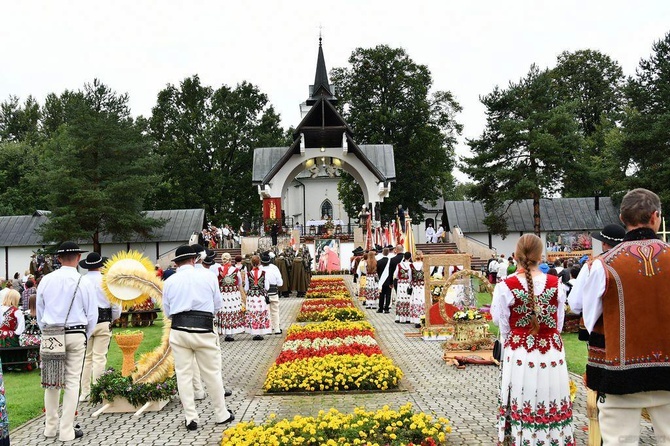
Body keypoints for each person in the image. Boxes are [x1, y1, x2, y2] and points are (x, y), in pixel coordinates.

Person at [570, 189, 670, 444]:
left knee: (619, 442)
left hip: (619, 372)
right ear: (655, 217)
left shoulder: (602, 264)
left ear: (622, 218)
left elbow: (584, 313)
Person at [491, 234, 574, 444]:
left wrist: (517, 337)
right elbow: (559, 324)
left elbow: (501, 324)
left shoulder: (505, 286)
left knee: (522, 396)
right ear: (540, 256)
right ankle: (553, 439)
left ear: (516, 255)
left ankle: (521, 439)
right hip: (550, 351)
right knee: (550, 397)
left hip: (519, 351)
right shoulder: (556, 284)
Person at [162, 245, 234, 431]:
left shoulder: (170, 281)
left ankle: (190, 417)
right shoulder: (208, 276)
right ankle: (221, 413)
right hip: (203, 328)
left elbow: (167, 311)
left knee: (184, 374)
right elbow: (218, 304)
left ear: (177, 263)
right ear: (194, 260)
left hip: (179, 329)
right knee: (212, 373)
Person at [37, 241, 97, 441]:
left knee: (51, 382)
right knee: (72, 382)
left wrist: (47, 331)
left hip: (52, 333)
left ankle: (49, 427)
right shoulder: (84, 281)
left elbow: (40, 312)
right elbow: (92, 315)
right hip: (76, 332)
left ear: (59, 258)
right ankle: (66, 430)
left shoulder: (45, 280)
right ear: (79, 258)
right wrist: (84, 335)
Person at [78, 253, 122, 403]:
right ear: (101, 265)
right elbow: (115, 304)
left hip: (85, 321)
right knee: (99, 357)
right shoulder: (106, 280)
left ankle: (85, 392)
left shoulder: (81, 281)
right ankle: (98, 390)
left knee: (86, 358)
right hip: (103, 320)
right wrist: (114, 317)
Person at [245, 255, 272, 340]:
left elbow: (246, 287)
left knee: (253, 312)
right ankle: (261, 331)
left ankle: (254, 332)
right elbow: (267, 287)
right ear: (259, 262)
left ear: (251, 263)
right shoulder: (264, 273)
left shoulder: (248, 274)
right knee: (261, 312)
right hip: (261, 295)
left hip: (252, 296)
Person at [0, 289, 25, 368]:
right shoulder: (17, 311)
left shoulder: (0, 308)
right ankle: (13, 365)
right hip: (10, 336)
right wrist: (16, 333)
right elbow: (21, 327)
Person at [260, 252, 283, 335]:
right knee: (275, 311)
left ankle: (267, 329)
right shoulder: (274, 268)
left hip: (263, 293)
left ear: (261, 262)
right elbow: (280, 282)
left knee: (266, 311)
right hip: (273, 291)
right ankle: (277, 329)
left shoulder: (259, 269)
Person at [394, 252, 413, 323]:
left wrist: (400, 277)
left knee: (400, 299)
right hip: (407, 284)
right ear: (410, 257)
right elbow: (411, 276)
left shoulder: (399, 265)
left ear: (404, 257)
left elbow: (395, 275)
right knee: (408, 299)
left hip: (401, 284)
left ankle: (399, 317)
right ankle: (408, 318)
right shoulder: (411, 265)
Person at [409, 250, 425, 328]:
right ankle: (424, 318)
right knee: (423, 300)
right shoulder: (424, 265)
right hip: (423, 286)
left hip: (415, 286)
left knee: (416, 301)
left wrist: (410, 284)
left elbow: (410, 277)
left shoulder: (411, 265)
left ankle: (416, 320)